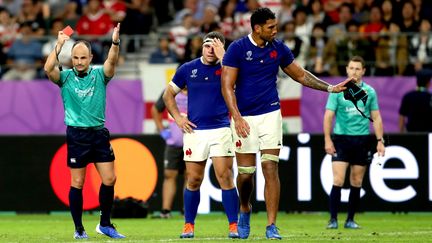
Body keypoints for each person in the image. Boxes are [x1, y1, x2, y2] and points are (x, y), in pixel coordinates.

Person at [221, 7, 350, 240]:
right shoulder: (237, 49)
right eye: (271, 27)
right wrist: (237, 118)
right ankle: (244, 208)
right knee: (246, 175)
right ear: (257, 28)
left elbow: (300, 75)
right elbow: (226, 86)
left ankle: (271, 225)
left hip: (271, 113)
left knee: (270, 167)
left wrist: (330, 87)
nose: (275, 30)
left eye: (275, 26)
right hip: (244, 118)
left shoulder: (278, 48)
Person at [43, 23, 125, 239]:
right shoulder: (65, 77)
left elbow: (112, 60)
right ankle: (79, 229)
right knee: (77, 183)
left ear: (90, 58)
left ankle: (105, 224)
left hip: (98, 134)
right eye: (76, 58)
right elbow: (48, 69)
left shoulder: (100, 75)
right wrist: (59, 45)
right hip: (77, 135)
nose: (79, 62)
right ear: (72, 59)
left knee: (110, 179)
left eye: (83, 58)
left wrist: (115, 41)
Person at [163, 31, 240, 239]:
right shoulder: (188, 69)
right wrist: (178, 118)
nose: (210, 50)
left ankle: (234, 224)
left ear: (222, 49)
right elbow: (167, 94)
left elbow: (238, 85)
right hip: (195, 131)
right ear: (201, 47)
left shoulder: (228, 68)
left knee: (225, 177)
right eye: (207, 45)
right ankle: (189, 225)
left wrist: (226, 58)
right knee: (194, 179)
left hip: (221, 129)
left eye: (215, 46)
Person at [323, 56, 386, 230]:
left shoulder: (370, 92)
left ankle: (350, 219)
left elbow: (376, 117)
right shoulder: (338, 90)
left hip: (362, 140)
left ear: (364, 71)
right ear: (347, 70)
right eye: (351, 68)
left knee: (357, 181)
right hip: (342, 139)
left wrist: (380, 141)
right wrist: (327, 139)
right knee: (338, 179)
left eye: (358, 68)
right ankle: (333, 219)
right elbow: (329, 115)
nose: (354, 71)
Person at [151, 90, 187, 218]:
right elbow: (155, 109)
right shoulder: (171, 91)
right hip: (174, 144)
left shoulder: (196, 89)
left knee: (191, 176)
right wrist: (162, 130)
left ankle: (187, 210)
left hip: (193, 142)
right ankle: (166, 211)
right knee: (169, 175)